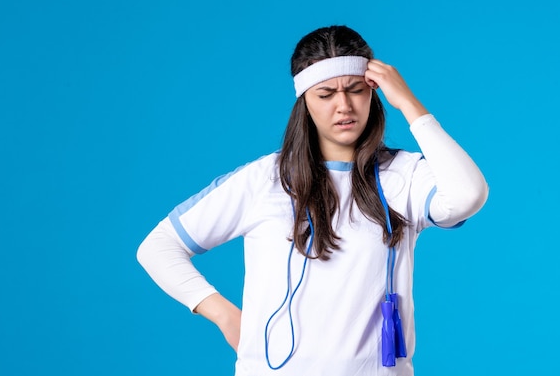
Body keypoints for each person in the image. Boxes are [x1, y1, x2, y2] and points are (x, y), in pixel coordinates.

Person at [137, 25, 489, 375]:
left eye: (356, 90)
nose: (344, 106)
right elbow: (158, 247)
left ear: (375, 92)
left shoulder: (405, 176)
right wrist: (224, 315)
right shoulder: (264, 179)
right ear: (304, 100)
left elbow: (468, 195)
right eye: (326, 94)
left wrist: (410, 105)